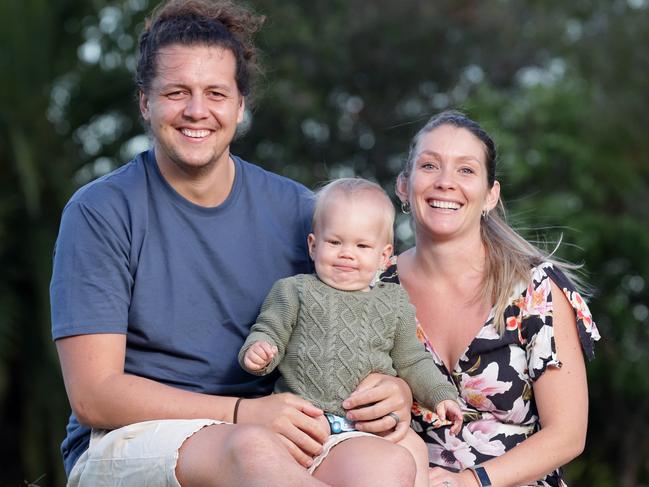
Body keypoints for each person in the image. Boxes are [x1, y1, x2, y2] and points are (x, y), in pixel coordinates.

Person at [49, 1, 416, 486]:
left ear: (240, 106)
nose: (196, 111)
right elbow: (94, 396)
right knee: (252, 450)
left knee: (388, 463)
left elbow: (376, 317)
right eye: (177, 92)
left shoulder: (297, 210)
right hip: (129, 436)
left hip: (276, 422)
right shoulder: (100, 211)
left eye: (215, 93)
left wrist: (396, 389)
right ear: (145, 102)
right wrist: (242, 413)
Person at [381, 110, 601, 487]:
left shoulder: (536, 289)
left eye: (466, 170)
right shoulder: (375, 288)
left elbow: (567, 434)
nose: (446, 182)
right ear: (404, 185)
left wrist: (470, 481)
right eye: (430, 165)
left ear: (490, 195)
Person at [239, 178, 463, 486]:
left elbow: (412, 360)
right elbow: (269, 331)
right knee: (272, 460)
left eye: (361, 246)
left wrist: (441, 395)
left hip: (370, 424)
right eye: (335, 242)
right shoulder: (294, 291)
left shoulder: (393, 301)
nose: (347, 254)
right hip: (305, 421)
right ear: (313, 245)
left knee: (413, 449)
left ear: (384, 257)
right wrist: (259, 351)